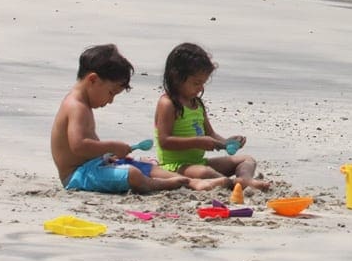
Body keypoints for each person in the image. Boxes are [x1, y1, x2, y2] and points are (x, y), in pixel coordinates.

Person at [51, 44, 230, 193]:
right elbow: (79, 145)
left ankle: (190, 182)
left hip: (92, 166)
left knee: (146, 166)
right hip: (76, 175)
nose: (110, 100)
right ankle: (161, 184)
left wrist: (107, 155)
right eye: (111, 92)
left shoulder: (82, 104)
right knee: (133, 173)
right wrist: (113, 146)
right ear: (92, 80)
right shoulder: (76, 106)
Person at [154, 42, 271, 191]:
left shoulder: (197, 103)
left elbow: (210, 134)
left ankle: (244, 179)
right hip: (175, 166)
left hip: (199, 161)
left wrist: (227, 142)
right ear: (176, 77)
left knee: (247, 159)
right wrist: (197, 142)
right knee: (205, 173)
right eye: (196, 83)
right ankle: (234, 183)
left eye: (203, 83)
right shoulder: (168, 103)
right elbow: (164, 141)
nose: (200, 88)